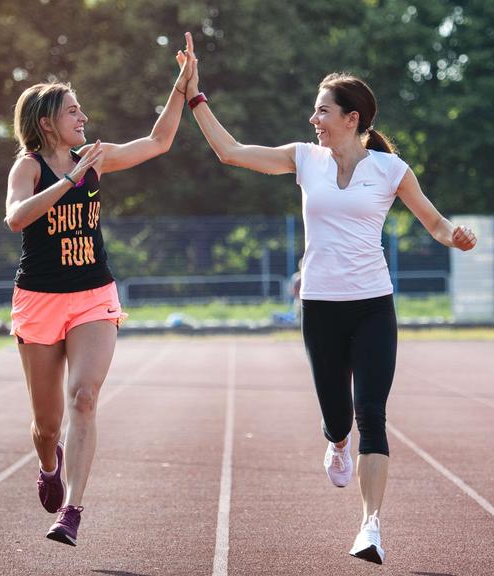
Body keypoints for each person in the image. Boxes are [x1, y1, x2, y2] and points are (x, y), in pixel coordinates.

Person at [179, 49, 477, 564]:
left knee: (373, 415)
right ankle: (336, 441)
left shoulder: (390, 169)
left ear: (350, 119)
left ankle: (370, 528)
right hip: (319, 305)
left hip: (372, 306)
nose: (313, 119)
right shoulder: (303, 158)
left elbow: (434, 222)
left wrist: (458, 237)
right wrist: (195, 96)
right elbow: (230, 151)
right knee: (339, 418)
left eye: (321, 111)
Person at [4, 33, 196, 546]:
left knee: (84, 398)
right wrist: (70, 181)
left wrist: (181, 86)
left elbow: (158, 142)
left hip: (93, 293)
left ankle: (72, 509)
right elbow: (16, 218)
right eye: (73, 110)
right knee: (47, 427)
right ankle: (49, 466)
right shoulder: (29, 166)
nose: (82, 117)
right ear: (47, 123)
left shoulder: (97, 155)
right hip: (39, 301)